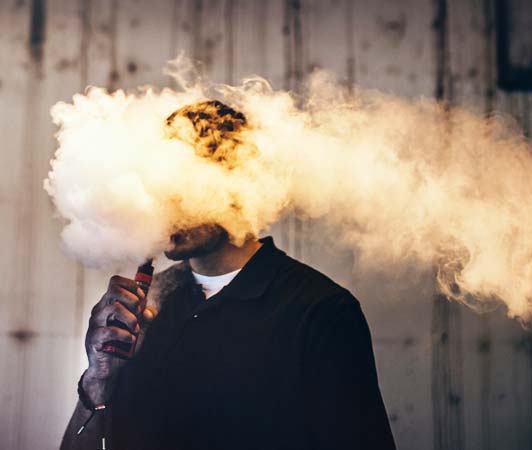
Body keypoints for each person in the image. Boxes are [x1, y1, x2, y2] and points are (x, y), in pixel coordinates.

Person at [59, 101, 397, 450]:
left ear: (240, 188)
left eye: (184, 187)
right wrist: (99, 378)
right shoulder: (146, 305)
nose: (165, 204)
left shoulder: (320, 311)